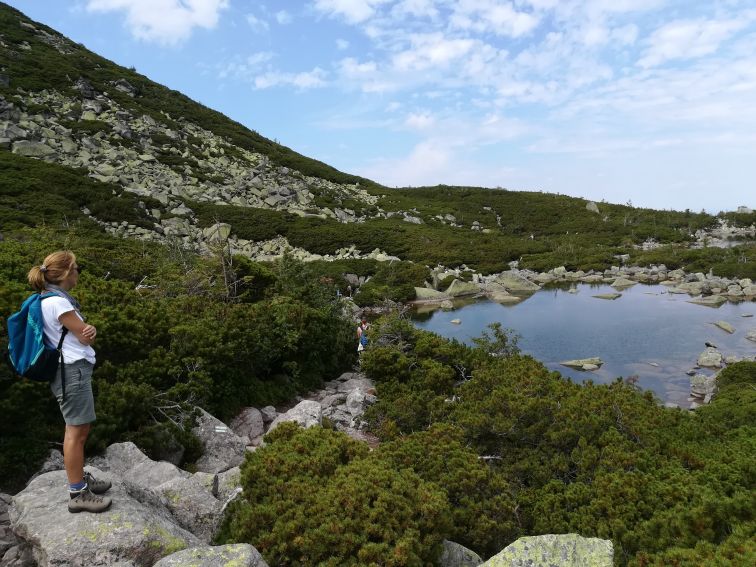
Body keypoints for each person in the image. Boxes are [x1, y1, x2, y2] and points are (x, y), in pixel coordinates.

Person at [27, 251, 112, 513]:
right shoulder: (60, 304)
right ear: (65, 274)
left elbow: (80, 334)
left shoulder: (50, 299)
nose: (78, 273)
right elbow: (85, 337)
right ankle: (78, 494)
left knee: (78, 430)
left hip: (69, 370)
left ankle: (79, 481)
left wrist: (88, 332)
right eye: (75, 268)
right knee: (76, 433)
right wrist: (92, 331)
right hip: (71, 371)